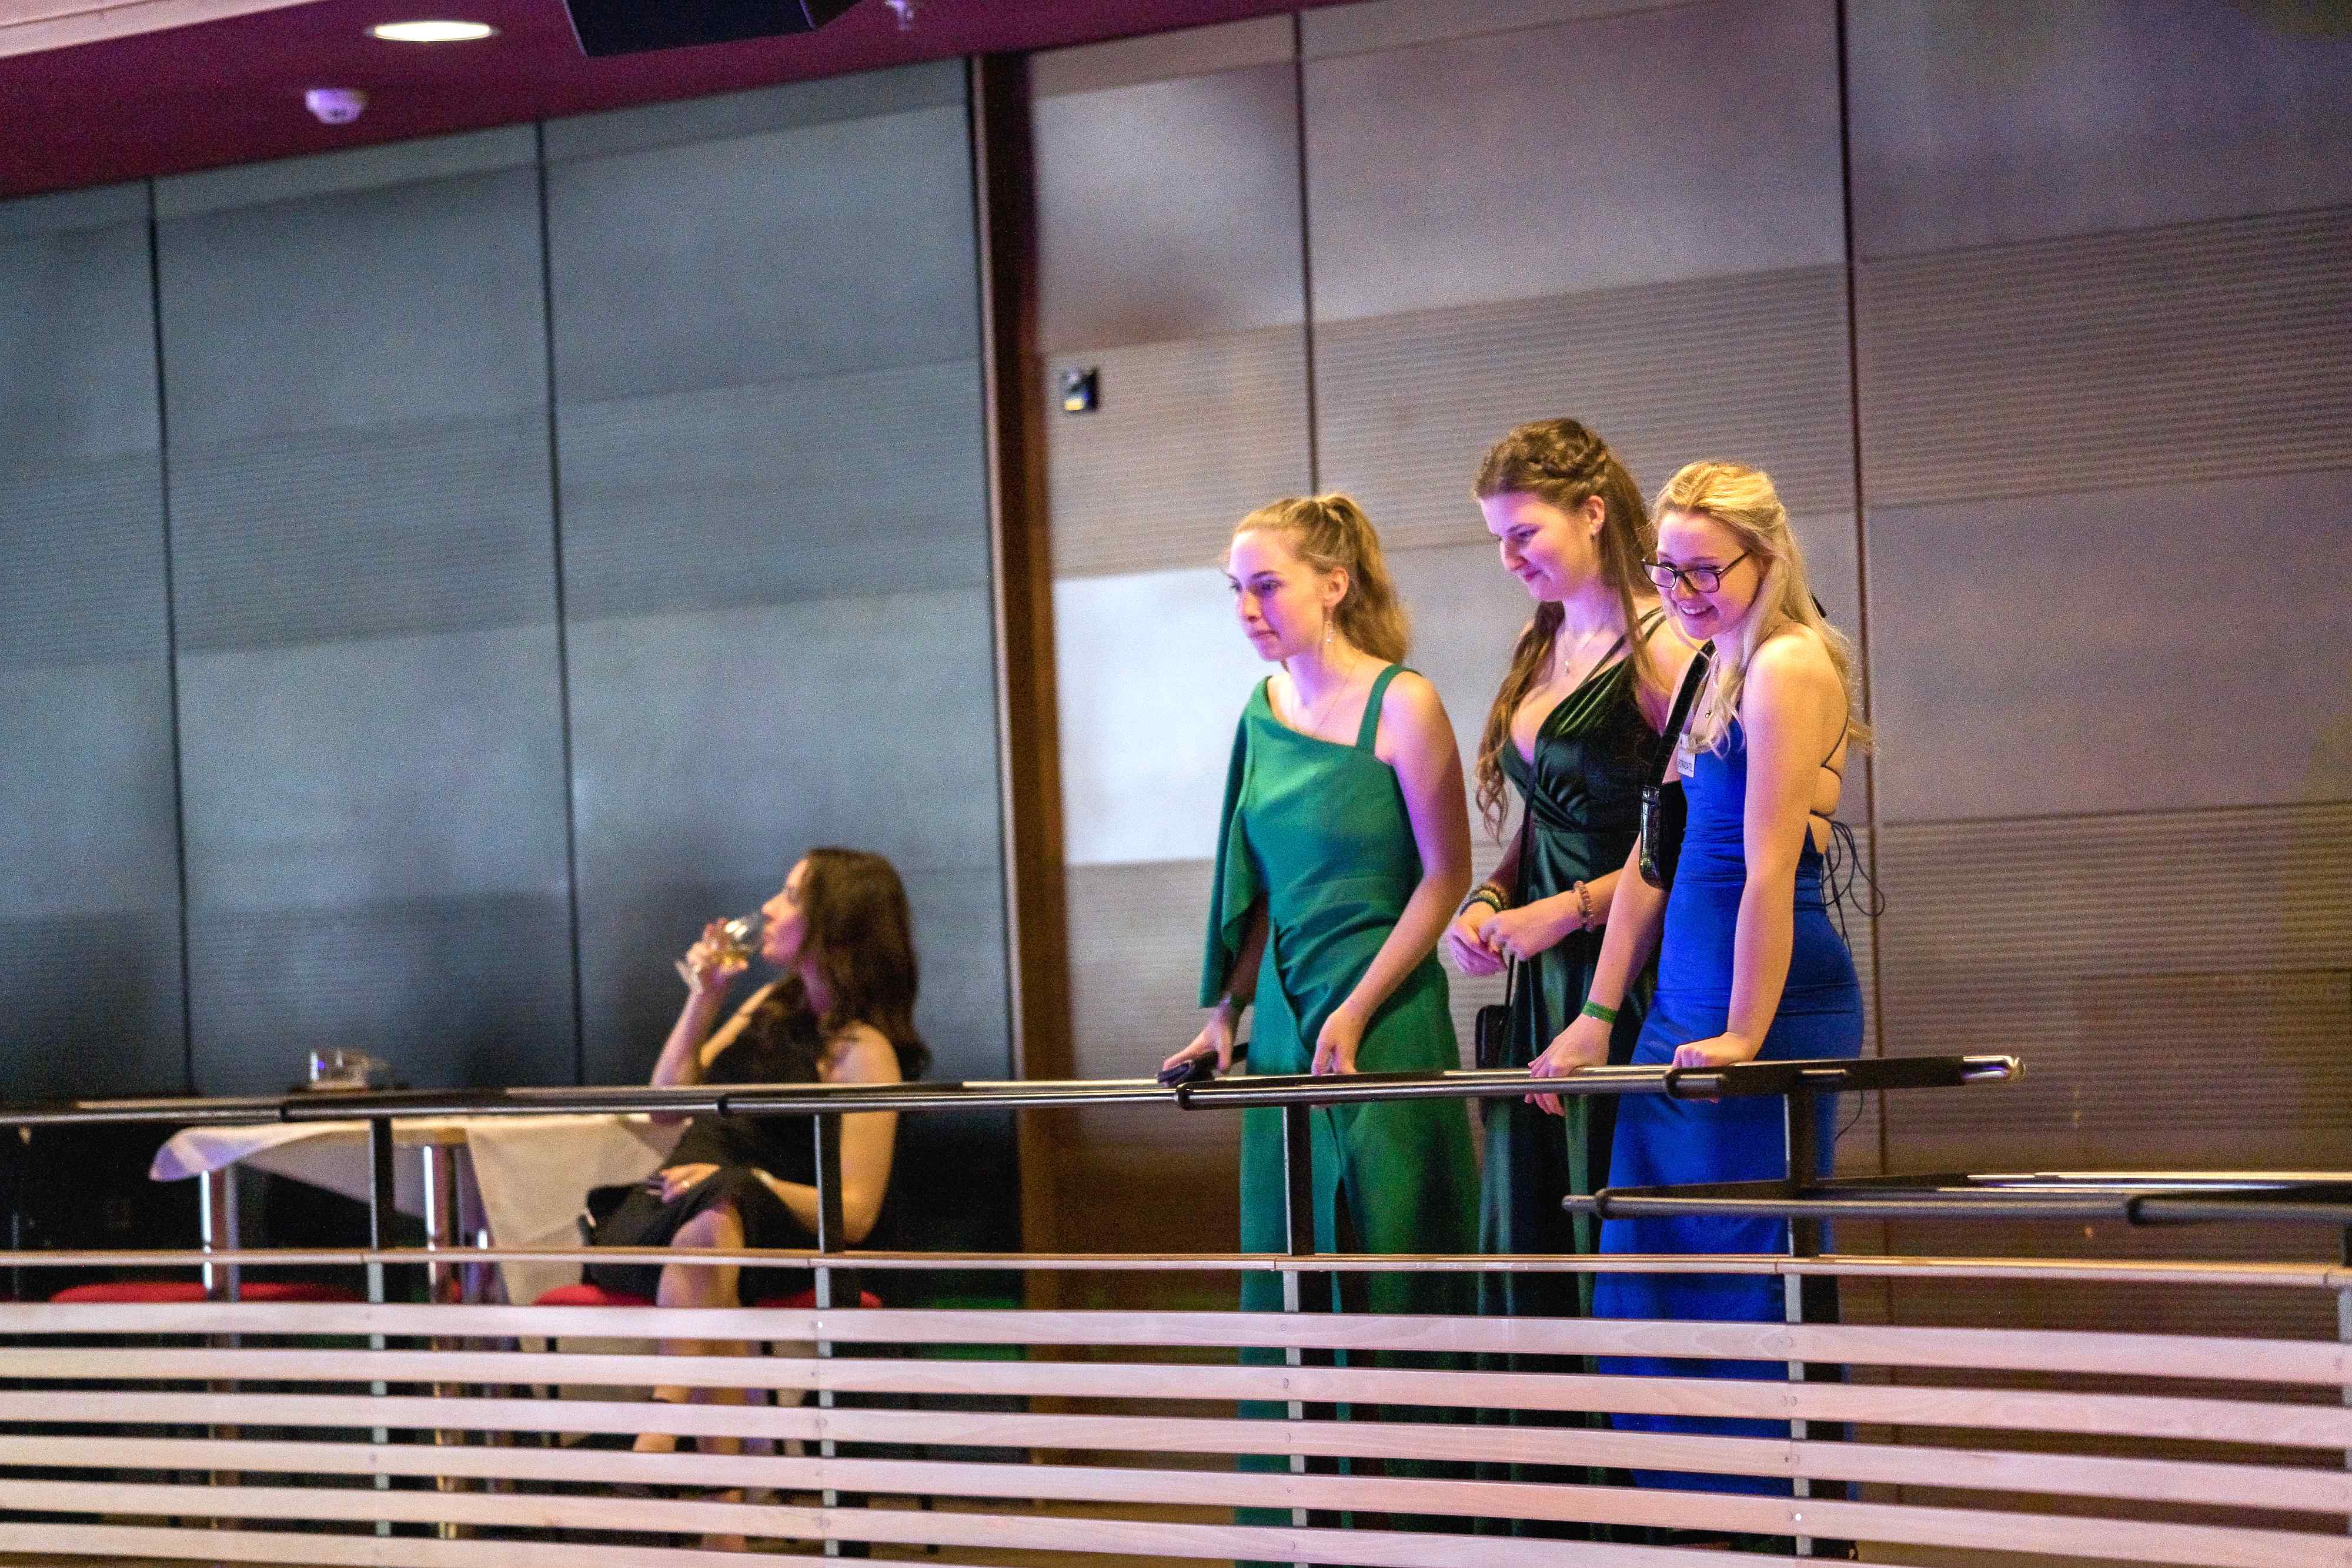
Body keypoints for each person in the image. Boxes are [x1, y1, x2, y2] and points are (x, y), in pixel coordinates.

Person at [1530, 458, 1867, 1496]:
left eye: (1704, 570)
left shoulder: (1789, 663)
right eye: (1665, 570)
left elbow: (1768, 867)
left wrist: (1745, 1034)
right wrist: (1597, 1013)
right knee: (1650, 1272)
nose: (1680, 592)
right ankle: (1694, 1516)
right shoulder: (1711, 663)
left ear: (1768, 558)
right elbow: (1656, 854)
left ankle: (1776, 1516)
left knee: (1740, 1274)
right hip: (1685, 993)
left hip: (1763, 996)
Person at [1161, 493, 1480, 1559]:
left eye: (1268, 584)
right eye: (1236, 589)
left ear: (1334, 585)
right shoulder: (1258, 712)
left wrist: (1359, 1003)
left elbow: (1445, 877)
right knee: (1293, 1279)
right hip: (1290, 1032)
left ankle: (1418, 1535)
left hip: (1387, 1019)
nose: (1248, 608)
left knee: (1396, 1272)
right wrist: (1224, 1014)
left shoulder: (1405, 703)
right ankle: (1303, 1539)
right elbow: (1247, 886)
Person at [1436, 420, 1693, 1534]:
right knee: (1534, 1243)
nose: (1509, 557)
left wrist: (1571, 910)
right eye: (1496, 538)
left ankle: (1638, 1521)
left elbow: (1685, 836)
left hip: (1625, 978)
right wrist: (1489, 900)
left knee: (1609, 1246)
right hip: (1540, 981)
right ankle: (1550, 1521)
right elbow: (1538, 828)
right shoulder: (1540, 641)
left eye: (1524, 532)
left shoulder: (1663, 646)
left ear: (1594, 513)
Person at [584, 848, 930, 1469]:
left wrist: (745, 1181)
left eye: (791, 897)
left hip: (771, 1235)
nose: (768, 908)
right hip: (667, 1207)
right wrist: (704, 998)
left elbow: (855, 1214)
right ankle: (716, 1485)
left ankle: (667, 1429)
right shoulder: (768, 1004)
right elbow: (664, 1107)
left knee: (717, 1223)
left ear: (835, 925)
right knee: (709, 1237)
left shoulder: (863, 1050)